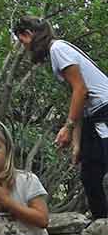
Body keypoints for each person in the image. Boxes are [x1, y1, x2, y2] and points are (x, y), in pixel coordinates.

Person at [14, 15, 108, 219]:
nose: (24, 48)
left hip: (105, 110)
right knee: (90, 174)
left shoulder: (58, 49)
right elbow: (80, 99)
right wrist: (76, 144)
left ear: (28, 34)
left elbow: (80, 90)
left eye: (22, 41)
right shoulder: (57, 51)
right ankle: (102, 226)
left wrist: (67, 127)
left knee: (96, 169)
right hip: (94, 114)